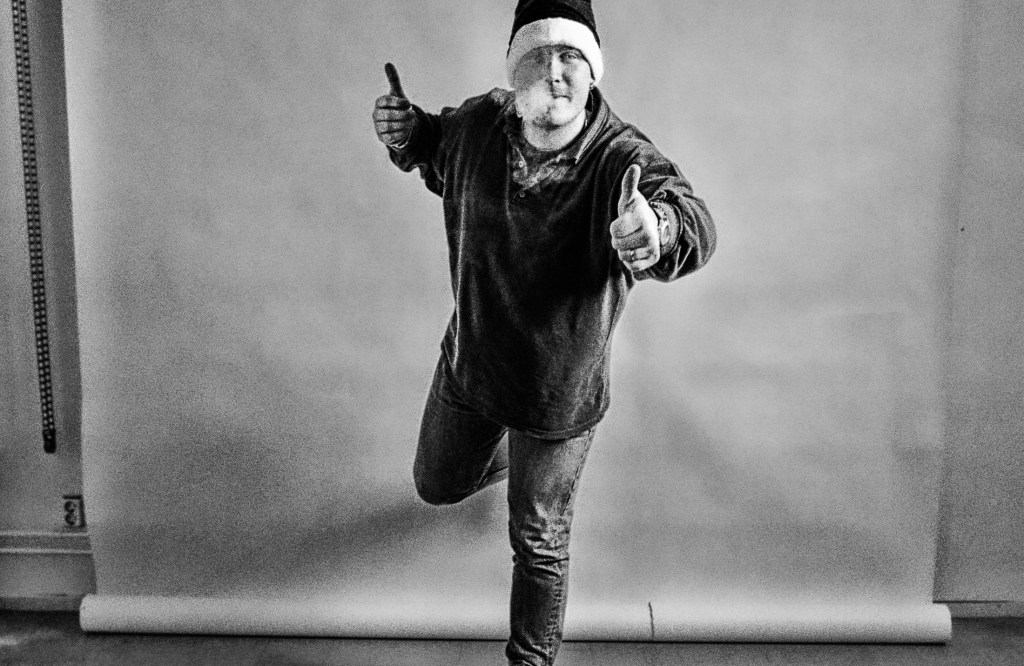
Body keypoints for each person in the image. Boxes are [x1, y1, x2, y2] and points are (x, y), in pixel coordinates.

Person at [372, 1, 715, 663]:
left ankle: (531, 659)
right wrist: (407, 133)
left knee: (537, 541)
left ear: (593, 70)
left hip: (558, 399)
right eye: (539, 56)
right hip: (472, 368)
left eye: (571, 57)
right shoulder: (481, 124)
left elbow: (692, 220)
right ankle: (526, 463)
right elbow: (435, 148)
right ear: (515, 66)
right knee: (436, 483)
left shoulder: (620, 159)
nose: (555, 72)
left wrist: (658, 229)